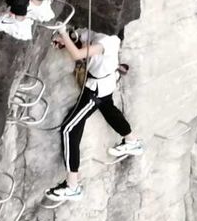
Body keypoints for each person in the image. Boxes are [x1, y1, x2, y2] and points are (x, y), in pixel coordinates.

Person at [43, 27, 142, 204]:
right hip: (104, 84)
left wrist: (62, 32)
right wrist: (67, 41)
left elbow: (79, 54)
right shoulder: (100, 34)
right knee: (108, 108)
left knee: (68, 130)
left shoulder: (108, 41)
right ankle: (132, 140)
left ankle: (72, 186)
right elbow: (81, 40)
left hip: (95, 90)